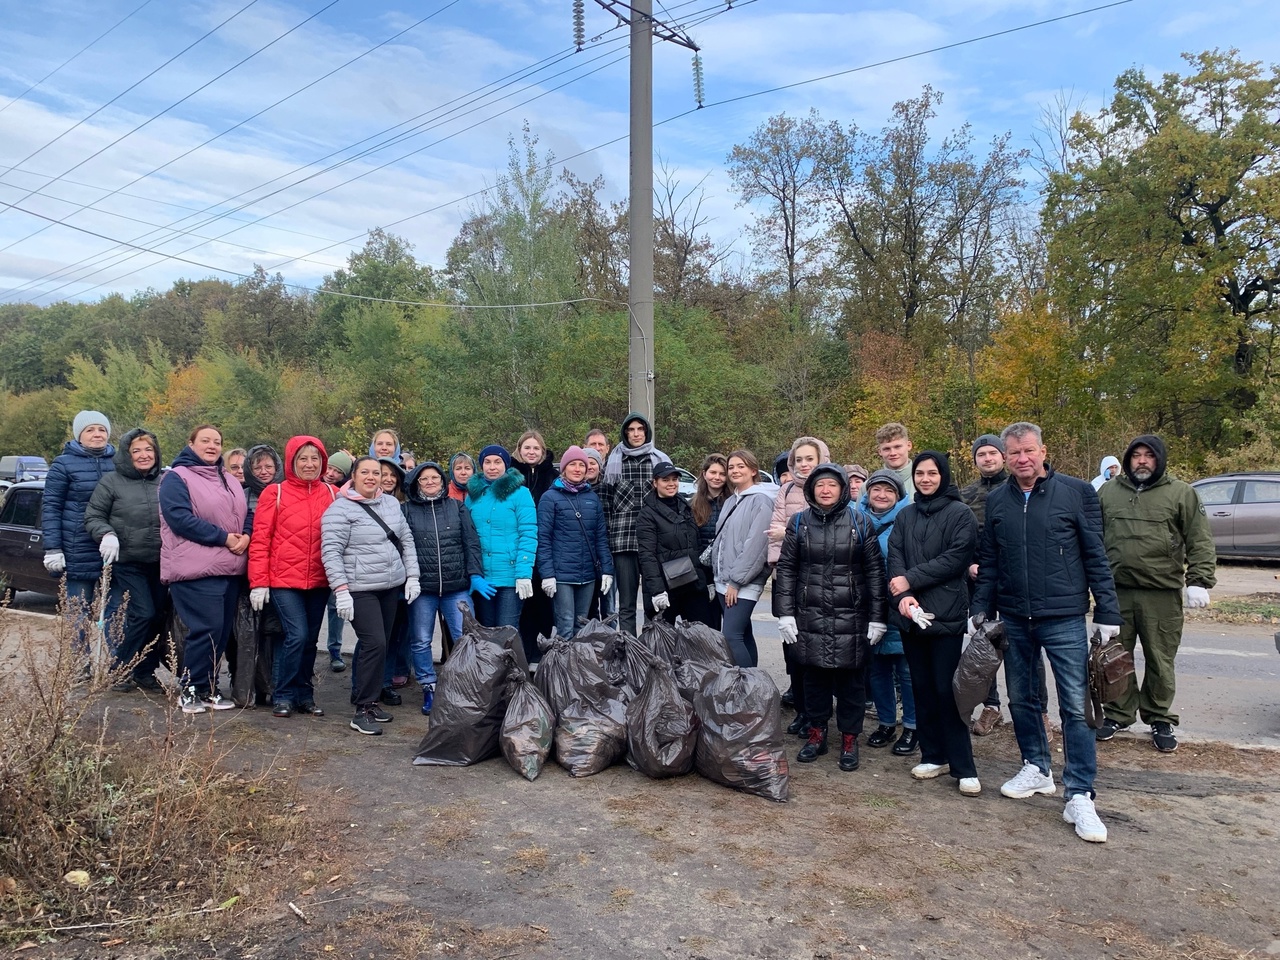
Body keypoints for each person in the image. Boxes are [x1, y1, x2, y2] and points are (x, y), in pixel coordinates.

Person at [971, 421, 1122, 843]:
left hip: (1064, 617)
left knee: (1075, 706)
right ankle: (1036, 767)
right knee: (1023, 698)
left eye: (1028, 451)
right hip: (1015, 617)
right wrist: (980, 607)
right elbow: (991, 561)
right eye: (1014, 452)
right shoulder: (998, 500)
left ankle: (1080, 793)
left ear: (1042, 451)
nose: (1022, 459)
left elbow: (1096, 555)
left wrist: (1107, 611)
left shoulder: (1076, 493)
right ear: (1005, 455)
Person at [1097, 434, 1216, 753]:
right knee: (1114, 658)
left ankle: (1159, 717)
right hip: (1117, 591)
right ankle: (1118, 713)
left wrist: (1199, 580)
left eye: (1149, 455)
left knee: (1160, 659)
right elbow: (1092, 539)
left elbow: (1200, 539)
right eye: (1136, 455)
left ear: (1159, 459)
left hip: (1161, 593)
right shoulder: (1109, 492)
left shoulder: (1181, 493)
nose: (1142, 461)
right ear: (1127, 460)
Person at [775, 464, 886, 773]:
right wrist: (784, 613)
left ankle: (850, 739)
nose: (825, 490)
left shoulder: (860, 522)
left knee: (851, 683)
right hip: (809, 614)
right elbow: (786, 570)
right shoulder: (799, 523)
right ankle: (816, 733)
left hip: (852, 615)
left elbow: (875, 572)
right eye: (820, 485)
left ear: (841, 490)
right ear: (811, 490)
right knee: (814, 680)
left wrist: (878, 617)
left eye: (832, 485)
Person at [888, 452, 980, 795]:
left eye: (932, 473)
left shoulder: (960, 514)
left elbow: (956, 559)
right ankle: (933, 755)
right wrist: (902, 597)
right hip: (911, 614)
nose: (926, 478)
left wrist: (909, 579)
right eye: (920, 473)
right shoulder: (906, 515)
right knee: (922, 687)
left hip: (946, 614)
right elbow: (894, 555)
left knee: (947, 690)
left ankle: (963, 765)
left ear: (943, 475)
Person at [321, 456, 420, 736]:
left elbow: (406, 540)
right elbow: (331, 552)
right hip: (358, 589)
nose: (371, 477)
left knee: (381, 645)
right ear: (354, 475)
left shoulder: (390, 503)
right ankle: (362, 708)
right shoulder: (339, 510)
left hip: (389, 587)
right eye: (365, 472)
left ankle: (371, 699)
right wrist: (340, 590)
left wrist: (411, 576)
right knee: (374, 642)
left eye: (376, 473)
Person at [159, 424, 248, 713]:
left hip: (230, 566)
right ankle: (189, 688)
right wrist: (223, 537)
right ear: (191, 443)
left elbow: (244, 514)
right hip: (194, 567)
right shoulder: (176, 478)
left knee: (220, 632)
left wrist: (246, 535)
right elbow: (179, 519)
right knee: (205, 628)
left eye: (217, 442)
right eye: (205, 441)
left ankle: (208, 687)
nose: (212, 446)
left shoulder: (228, 478)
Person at [248, 436, 337, 719]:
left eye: (315, 459)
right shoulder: (274, 493)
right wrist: (259, 581)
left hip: (319, 580)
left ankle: (304, 696)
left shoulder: (333, 494)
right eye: (303, 459)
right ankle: (283, 695)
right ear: (291, 462)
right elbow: (261, 540)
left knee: (310, 640)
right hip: (284, 581)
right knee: (295, 636)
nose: (309, 464)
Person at [84, 427, 167, 691]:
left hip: (161, 562)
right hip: (128, 560)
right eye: (137, 451)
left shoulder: (165, 480)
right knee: (144, 613)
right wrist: (106, 533)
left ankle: (144, 671)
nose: (144, 455)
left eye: (148, 449)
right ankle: (118, 669)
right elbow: (93, 516)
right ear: (127, 455)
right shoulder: (111, 482)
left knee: (158, 617)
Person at [402, 461, 489, 715]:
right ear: (416, 483)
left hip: (457, 587)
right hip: (423, 590)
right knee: (420, 640)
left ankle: (465, 686)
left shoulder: (457, 507)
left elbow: (471, 543)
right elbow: (402, 548)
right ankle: (429, 686)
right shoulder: (407, 511)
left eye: (434, 478)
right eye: (424, 479)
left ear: (442, 480)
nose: (430, 482)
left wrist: (475, 575)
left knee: (466, 638)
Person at [767, 437, 831, 737]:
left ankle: (819, 714)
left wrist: (789, 530)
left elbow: (824, 531)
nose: (804, 464)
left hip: (817, 582)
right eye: (800, 459)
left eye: (810, 459)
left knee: (814, 650)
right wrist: (777, 569)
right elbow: (773, 531)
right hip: (787, 577)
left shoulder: (827, 488)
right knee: (791, 649)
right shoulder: (787, 489)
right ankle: (803, 710)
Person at [855, 469, 917, 755]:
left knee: (905, 669)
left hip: (897, 601)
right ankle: (885, 723)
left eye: (888, 491)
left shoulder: (908, 518)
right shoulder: (855, 516)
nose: (881, 495)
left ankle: (913, 726)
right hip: (866, 603)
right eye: (876, 489)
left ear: (898, 495)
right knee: (877, 668)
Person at [43, 410, 116, 637]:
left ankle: (115, 667)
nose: (97, 434)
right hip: (77, 549)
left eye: (102, 429)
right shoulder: (63, 465)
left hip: (113, 547)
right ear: (79, 435)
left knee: (116, 612)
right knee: (79, 614)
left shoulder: (119, 462)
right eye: (90, 430)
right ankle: (79, 668)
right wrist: (53, 548)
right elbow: (51, 507)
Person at [601, 413, 668, 636]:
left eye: (640, 429)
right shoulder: (614, 462)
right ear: (625, 433)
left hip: (654, 543)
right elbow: (607, 506)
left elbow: (668, 499)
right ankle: (628, 650)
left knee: (654, 604)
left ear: (646, 432)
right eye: (631, 430)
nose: (636, 434)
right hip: (623, 542)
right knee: (626, 605)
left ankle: (652, 649)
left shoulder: (659, 460)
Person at [537, 447, 614, 638]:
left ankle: (578, 666)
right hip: (561, 575)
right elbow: (543, 539)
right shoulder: (550, 498)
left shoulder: (592, 498)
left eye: (582, 465)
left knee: (581, 626)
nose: (578, 469)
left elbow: (600, 537)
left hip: (587, 574)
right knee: (565, 626)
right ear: (564, 468)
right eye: (573, 464)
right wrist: (547, 574)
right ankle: (564, 667)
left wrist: (607, 570)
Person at [710, 449, 774, 667]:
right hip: (724, 580)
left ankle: (748, 686)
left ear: (753, 470)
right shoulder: (731, 501)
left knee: (731, 635)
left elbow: (756, 547)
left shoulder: (761, 501)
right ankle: (753, 688)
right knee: (744, 634)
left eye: (741, 466)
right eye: (731, 467)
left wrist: (736, 581)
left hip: (741, 582)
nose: (735, 471)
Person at [466, 445, 537, 631]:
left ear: (505, 465)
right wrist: (473, 574)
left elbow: (528, 534)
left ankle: (514, 662)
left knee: (506, 631)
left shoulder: (521, 494)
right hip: (483, 577)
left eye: (497, 462)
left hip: (510, 575)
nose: (492, 467)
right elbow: (468, 537)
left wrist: (523, 572)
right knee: (486, 631)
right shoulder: (473, 496)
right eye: (487, 462)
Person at [637, 461, 716, 627]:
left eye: (674, 479)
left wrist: (708, 579)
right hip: (666, 588)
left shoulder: (686, 507)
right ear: (655, 483)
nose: (671, 484)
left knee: (702, 637)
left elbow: (697, 547)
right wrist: (657, 591)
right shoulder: (647, 515)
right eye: (666, 480)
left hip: (693, 583)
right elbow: (647, 555)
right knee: (663, 645)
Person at [514, 430, 557, 657]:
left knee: (545, 608)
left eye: (536, 448)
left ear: (542, 451)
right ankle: (525, 654)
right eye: (527, 448)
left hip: (546, 548)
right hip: (520, 551)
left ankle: (544, 657)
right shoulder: (510, 476)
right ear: (519, 450)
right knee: (523, 609)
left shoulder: (553, 476)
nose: (531, 452)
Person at [322, 450, 355, 671]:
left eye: (338, 471)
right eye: (330, 468)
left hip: (336, 557)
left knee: (335, 607)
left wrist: (355, 464)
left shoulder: (341, 494)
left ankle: (335, 649)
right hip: (311, 556)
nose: (331, 473)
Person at [690, 454, 728, 630]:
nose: (717, 477)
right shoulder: (693, 504)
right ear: (704, 474)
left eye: (722, 473)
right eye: (713, 472)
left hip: (726, 571)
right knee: (707, 626)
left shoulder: (733, 502)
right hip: (702, 574)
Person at [875, 422, 914, 501]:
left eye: (897, 447)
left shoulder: (925, 483)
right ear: (880, 451)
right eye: (887, 449)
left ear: (909, 446)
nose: (893, 453)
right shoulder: (868, 487)